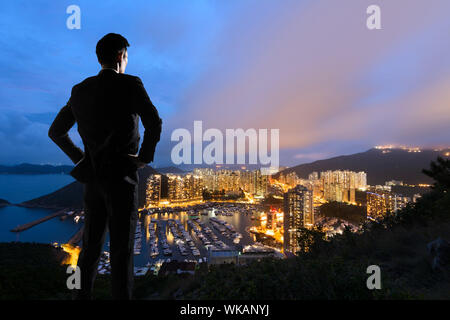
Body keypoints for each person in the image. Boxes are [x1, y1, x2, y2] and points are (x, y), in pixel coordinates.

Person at [48, 33, 162, 299]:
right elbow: (154, 122)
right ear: (122, 56)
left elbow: (56, 132)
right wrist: (144, 157)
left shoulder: (79, 90)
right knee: (122, 252)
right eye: (126, 56)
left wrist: (80, 158)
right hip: (122, 179)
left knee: (89, 249)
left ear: (98, 58)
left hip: (93, 180)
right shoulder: (131, 84)